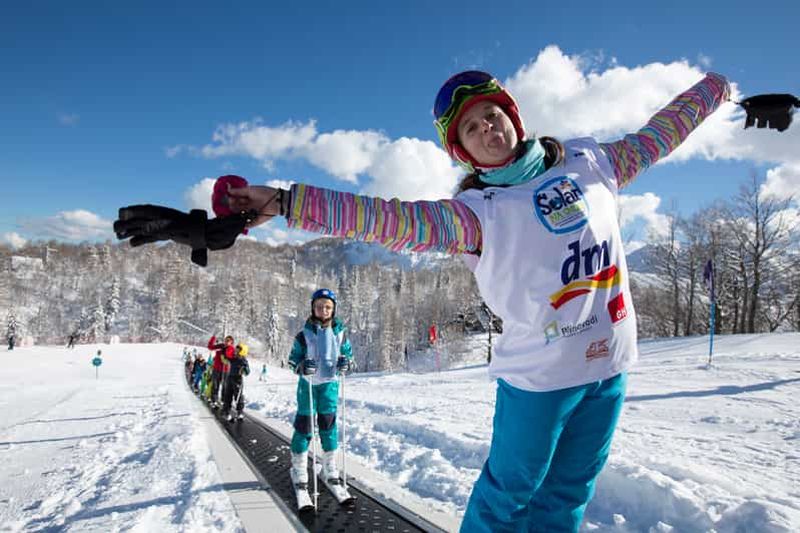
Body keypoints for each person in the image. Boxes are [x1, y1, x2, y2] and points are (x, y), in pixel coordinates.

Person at [114, 69, 780, 530]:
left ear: (514, 117)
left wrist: (730, 94)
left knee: (569, 497)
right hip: (539, 381)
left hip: (609, 371)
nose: (488, 127)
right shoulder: (477, 212)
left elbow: (666, 129)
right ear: (461, 149)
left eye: (494, 114)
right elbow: (382, 218)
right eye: (471, 129)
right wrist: (284, 201)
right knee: (506, 499)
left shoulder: (592, 162)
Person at [287, 289, 353, 489]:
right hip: (308, 385)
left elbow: (349, 357)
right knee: (304, 425)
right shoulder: (303, 335)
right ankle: (298, 466)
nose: (323, 310)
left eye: (327, 307)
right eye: (319, 306)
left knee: (328, 425)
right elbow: (292, 360)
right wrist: (300, 367)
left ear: (333, 310)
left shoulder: (340, 334)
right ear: (313, 308)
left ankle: (329, 465)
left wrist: (346, 364)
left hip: (329, 386)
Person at [222, 343, 251, 420]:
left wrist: (244, 370)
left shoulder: (243, 360)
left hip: (238, 379)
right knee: (228, 395)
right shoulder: (234, 358)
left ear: (242, 351)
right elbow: (227, 358)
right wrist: (225, 350)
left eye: (238, 349)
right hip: (230, 378)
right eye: (236, 349)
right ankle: (226, 411)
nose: (236, 351)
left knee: (238, 396)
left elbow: (247, 372)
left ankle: (240, 412)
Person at [207, 335, 234, 408]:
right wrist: (213, 338)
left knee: (225, 386)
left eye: (228, 340)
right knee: (215, 385)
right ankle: (214, 400)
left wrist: (223, 351)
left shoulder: (231, 349)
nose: (226, 341)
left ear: (231, 342)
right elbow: (210, 347)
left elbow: (229, 355)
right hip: (216, 369)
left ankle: (223, 400)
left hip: (225, 370)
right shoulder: (221, 346)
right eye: (225, 340)